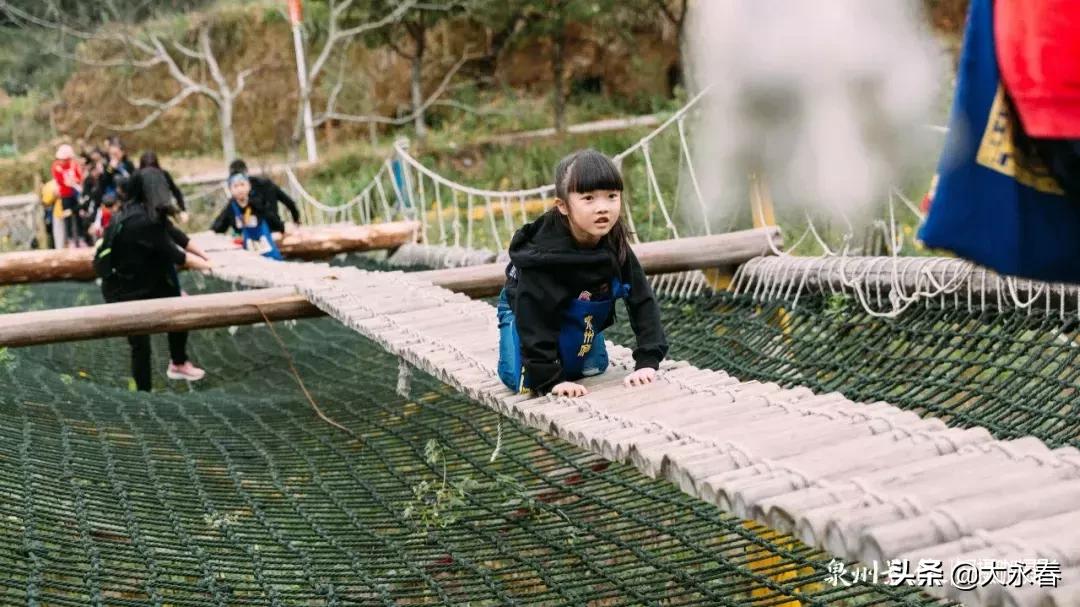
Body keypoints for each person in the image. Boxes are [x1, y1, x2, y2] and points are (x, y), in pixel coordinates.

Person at [496, 149, 668, 397]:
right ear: (563, 206)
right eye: (588, 198)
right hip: (524, 307)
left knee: (593, 368)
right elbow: (534, 319)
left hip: (581, 302)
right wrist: (551, 380)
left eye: (611, 196)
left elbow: (641, 299)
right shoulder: (543, 256)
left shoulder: (614, 242)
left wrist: (648, 361)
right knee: (522, 382)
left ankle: (575, 345)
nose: (603, 208)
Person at [96, 188, 212, 391]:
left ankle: (178, 363)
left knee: (180, 304)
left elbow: (177, 236)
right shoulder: (141, 221)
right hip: (123, 291)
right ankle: (144, 395)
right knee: (140, 344)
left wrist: (205, 255)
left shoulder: (146, 213)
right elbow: (177, 255)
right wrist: (211, 266)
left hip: (142, 283)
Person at [211, 173, 283, 260]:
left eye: (242, 185)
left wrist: (281, 229)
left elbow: (271, 216)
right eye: (235, 186)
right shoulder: (231, 206)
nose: (239, 189)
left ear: (248, 186)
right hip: (249, 250)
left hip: (267, 247)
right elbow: (220, 225)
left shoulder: (257, 202)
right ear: (230, 189)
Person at [228, 158, 301, 233]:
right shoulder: (267, 184)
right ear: (246, 171)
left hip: (255, 229)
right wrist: (296, 220)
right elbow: (289, 202)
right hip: (276, 226)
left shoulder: (241, 192)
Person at [126, 151, 188, 222]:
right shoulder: (163, 173)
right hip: (160, 216)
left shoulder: (137, 174)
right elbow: (176, 192)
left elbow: (129, 198)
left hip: (142, 216)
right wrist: (183, 209)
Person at [50, 144, 84, 249]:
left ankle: (81, 237)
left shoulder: (74, 165)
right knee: (67, 217)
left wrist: (75, 182)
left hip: (75, 193)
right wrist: (66, 182)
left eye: (65, 159)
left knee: (78, 215)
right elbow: (58, 178)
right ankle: (69, 239)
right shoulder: (56, 166)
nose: (63, 161)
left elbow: (80, 176)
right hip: (65, 194)